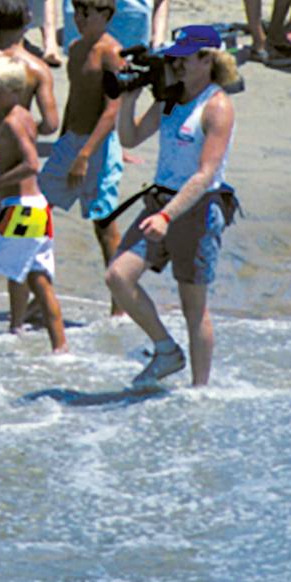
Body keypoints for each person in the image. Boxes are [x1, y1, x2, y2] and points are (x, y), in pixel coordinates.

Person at [105, 26, 240, 385]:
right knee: (118, 275)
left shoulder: (217, 106)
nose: (175, 64)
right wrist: (128, 100)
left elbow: (205, 173)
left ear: (207, 59)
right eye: (174, 57)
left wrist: (167, 215)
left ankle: (200, 391)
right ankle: (166, 350)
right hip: (159, 202)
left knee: (193, 307)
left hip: (197, 207)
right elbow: (130, 137)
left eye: (184, 58)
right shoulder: (170, 98)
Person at [0, 52, 65, 355]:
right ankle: (61, 349)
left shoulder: (11, 123)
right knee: (39, 281)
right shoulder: (25, 117)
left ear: (15, 90)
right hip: (36, 207)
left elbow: (32, 163)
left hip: (20, 210)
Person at [39, 0, 124, 267]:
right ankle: (39, 285)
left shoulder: (112, 54)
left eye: (87, 14)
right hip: (71, 138)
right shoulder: (75, 49)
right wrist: (64, 141)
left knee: (103, 223)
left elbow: (112, 111)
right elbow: (74, 99)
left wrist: (85, 155)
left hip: (98, 146)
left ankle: (119, 303)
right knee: (37, 206)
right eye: (77, 13)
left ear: (106, 15)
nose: (80, 20)